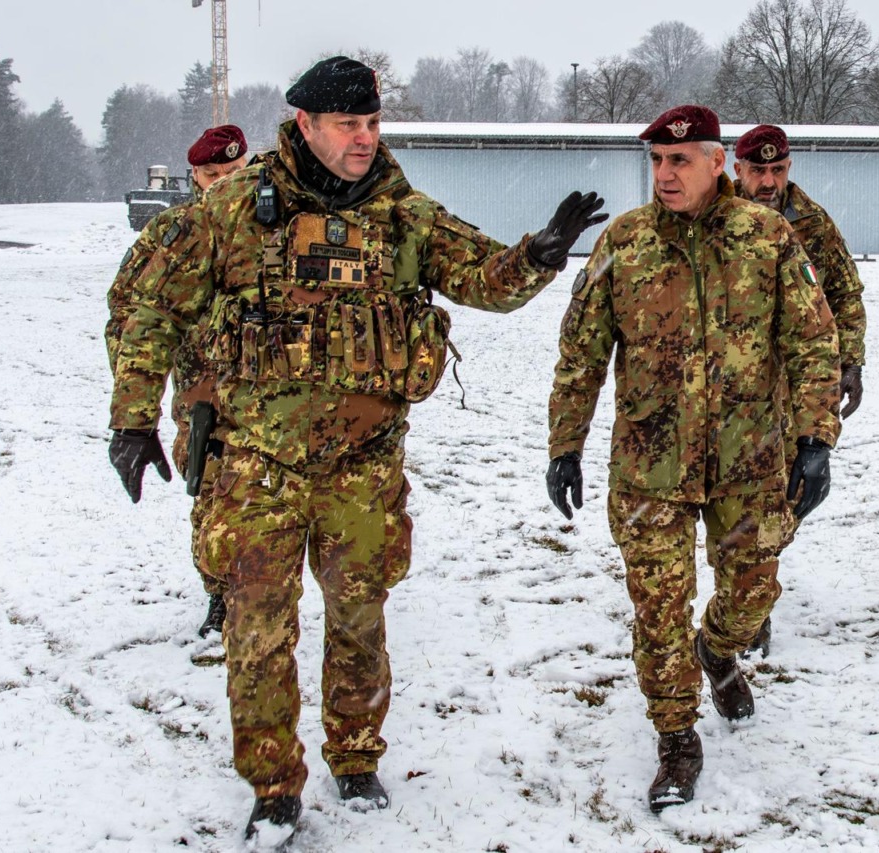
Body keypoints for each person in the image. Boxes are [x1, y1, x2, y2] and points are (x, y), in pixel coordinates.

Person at [106, 55, 606, 846]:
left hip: (363, 466)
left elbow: (484, 276)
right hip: (257, 463)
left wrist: (540, 254)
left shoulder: (401, 214)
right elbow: (152, 307)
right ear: (305, 124)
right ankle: (274, 786)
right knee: (257, 633)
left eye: (373, 123)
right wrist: (133, 419)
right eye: (348, 124)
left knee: (359, 620)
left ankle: (356, 755)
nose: (365, 138)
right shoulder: (234, 209)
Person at [545, 105, 840, 813]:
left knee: (751, 596)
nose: (665, 174)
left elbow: (812, 341)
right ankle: (676, 735)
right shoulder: (625, 241)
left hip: (749, 459)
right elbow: (581, 353)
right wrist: (565, 444)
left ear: (717, 162)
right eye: (656, 161)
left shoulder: (769, 238)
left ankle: (718, 649)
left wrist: (816, 438)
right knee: (657, 610)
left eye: (680, 160)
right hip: (650, 466)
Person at [105, 124, 249, 639]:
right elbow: (129, 315)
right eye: (212, 174)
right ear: (194, 176)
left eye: (234, 172)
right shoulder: (173, 232)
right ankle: (220, 594)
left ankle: (265, 593)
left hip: (272, 390)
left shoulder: (278, 225)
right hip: (202, 391)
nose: (224, 183)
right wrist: (136, 402)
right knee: (212, 492)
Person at [731, 123, 866, 656]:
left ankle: (750, 599)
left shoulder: (812, 222)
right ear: (736, 169)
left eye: (778, 170)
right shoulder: (712, 214)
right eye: (757, 170)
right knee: (729, 497)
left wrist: (850, 365)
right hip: (725, 388)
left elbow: (845, 294)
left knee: (784, 497)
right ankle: (742, 594)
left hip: (793, 387)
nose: (768, 182)